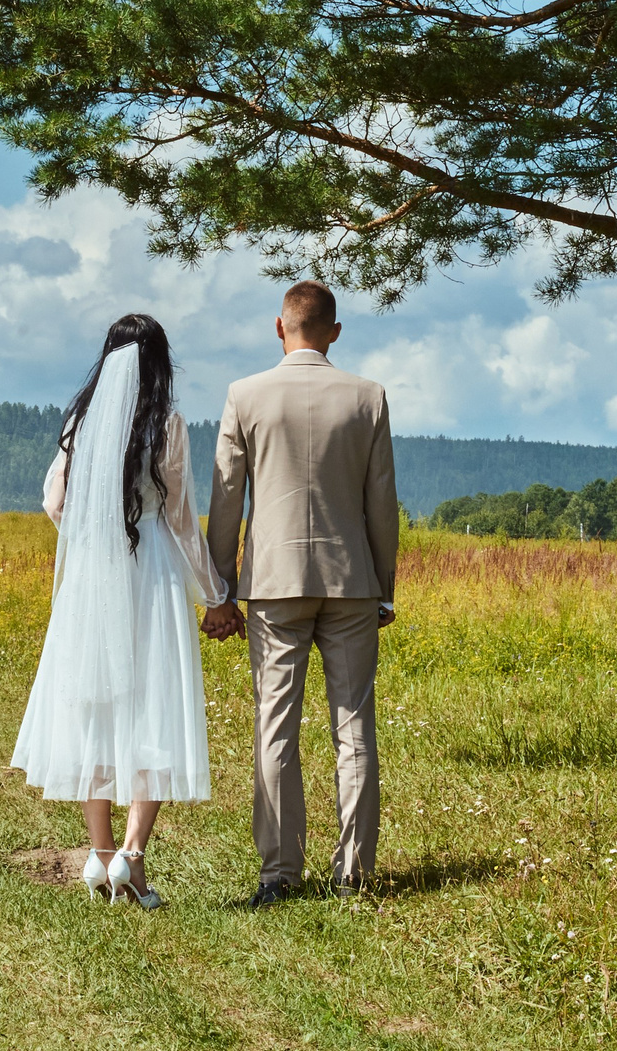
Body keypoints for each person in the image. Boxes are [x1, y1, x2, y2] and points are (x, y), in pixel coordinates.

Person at [9, 313, 230, 908]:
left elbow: (52, 500)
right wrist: (216, 594)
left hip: (95, 571)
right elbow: (182, 519)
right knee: (154, 705)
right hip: (152, 571)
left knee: (94, 702)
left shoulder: (82, 424)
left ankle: (100, 853)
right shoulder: (169, 425)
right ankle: (133, 856)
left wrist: (90, 536)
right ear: (159, 365)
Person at [202, 281, 399, 906]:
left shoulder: (245, 395)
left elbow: (226, 499)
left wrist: (220, 589)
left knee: (275, 725)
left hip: (274, 583)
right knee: (354, 726)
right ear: (334, 331)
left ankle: (279, 873)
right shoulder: (368, 397)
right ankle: (354, 872)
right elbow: (381, 506)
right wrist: (383, 586)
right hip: (351, 583)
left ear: (278, 327)